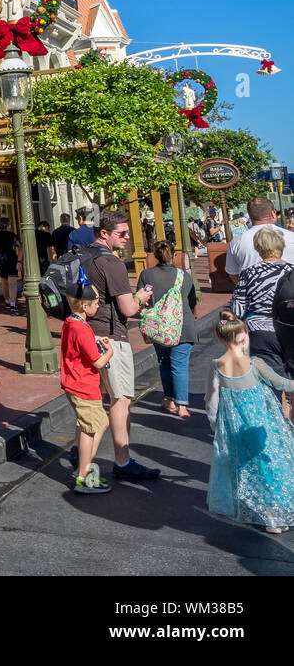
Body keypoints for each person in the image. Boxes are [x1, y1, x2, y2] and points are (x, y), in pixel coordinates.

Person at [83, 210, 159, 480]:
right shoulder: (111, 263)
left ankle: (81, 452)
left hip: (86, 332)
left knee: (94, 399)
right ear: (104, 233)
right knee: (121, 399)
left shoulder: (84, 256)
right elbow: (127, 309)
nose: (127, 238)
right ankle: (122, 461)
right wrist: (140, 296)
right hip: (110, 336)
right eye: (121, 234)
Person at [206, 311, 294, 535]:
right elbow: (282, 383)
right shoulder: (255, 364)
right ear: (244, 336)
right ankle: (272, 515)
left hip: (234, 427)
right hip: (260, 426)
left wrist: (215, 424)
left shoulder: (216, 365)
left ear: (221, 339)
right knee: (269, 465)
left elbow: (212, 400)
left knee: (247, 468)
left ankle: (258, 508)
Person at [231, 227, 294, 415]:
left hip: (261, 333)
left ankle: (278, 428)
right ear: (281, 247)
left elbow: (238, 309)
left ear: (259, 248)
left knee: (272, 382)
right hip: (290, 329)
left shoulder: (249, 273)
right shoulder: (291, 271)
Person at [61, 282, 115, 494]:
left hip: (75, 382)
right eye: (95, 303)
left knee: (99, 423)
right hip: (83, 384)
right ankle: (83, 476)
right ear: (84, 306)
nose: (98, 306)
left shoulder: (70, 322)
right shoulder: (81, 328)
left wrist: (93, 341)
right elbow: (98, 363)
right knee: (91, 428)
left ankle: (84, 469)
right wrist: (109, 351)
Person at [137, 240, 198, 418]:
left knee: (164, 361)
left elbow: (142, 299)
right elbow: (192, 301)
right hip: (182, 327)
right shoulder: (183, 275)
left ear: (154, 255)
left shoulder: (147, 275)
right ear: (173, 255)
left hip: (160, 327)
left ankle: (169, 398)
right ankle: (182, 406)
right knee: (179, 365)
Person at [225, 197, 294, 281]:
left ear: (249, 216)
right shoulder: (291, 236)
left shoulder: (237, 242)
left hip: (254, 291)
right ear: (273, 213)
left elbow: (233, 274)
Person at [0, 217, 20, 311]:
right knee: (12, 283)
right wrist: (20, 260)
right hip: (11, 259)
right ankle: (13, 304)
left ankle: (7, 301)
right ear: (9, 226)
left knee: (4, 282)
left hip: (0, 260)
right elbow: (20, 246)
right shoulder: (12, 236)